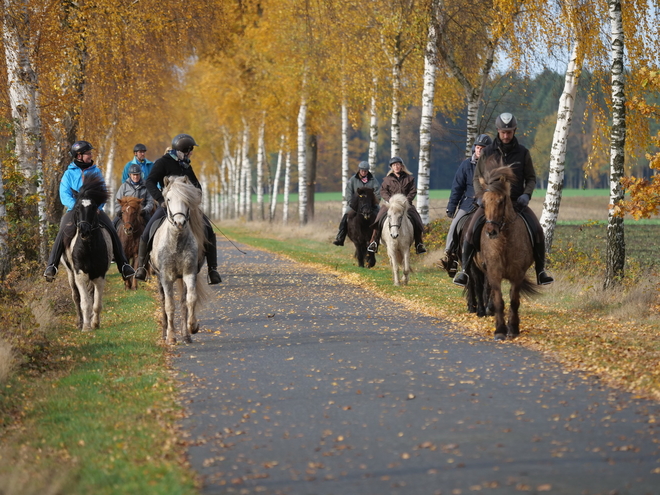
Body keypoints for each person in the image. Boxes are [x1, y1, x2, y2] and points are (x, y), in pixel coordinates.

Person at [452, 112, 554, 287]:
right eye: (503, 132)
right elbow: (477, 178)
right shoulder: (487, 152)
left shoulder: (523, 153)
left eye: (509, 132)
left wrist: (526, 195)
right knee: (470, 231)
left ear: (514, 131)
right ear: (498, 131)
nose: (506, 135)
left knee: (537, 229)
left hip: (516, 202)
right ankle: (464, 271)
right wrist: (481, 197)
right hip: (491, 202)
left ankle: (541, 271)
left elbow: (530, 178)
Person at [133, 133, 222, 285]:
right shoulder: (163, 162)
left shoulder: (186, 165)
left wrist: (195, 199)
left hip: (187, 208)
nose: (192, 153)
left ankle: (212, 269)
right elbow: (150, 182)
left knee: (208, 229)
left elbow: (197, 186)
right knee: (148, 231)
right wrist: (161, 199)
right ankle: (141, 267)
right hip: (167, 205)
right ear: (184, 149)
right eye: (191, 150)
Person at [43, 141, 136, 282]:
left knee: (111, 228)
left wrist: (97, 208)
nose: (91, 155)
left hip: (94, 210)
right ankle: (52, 266)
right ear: (79, 155)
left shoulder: (95, 171)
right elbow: (64, 194)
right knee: (63, 229)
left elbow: (102, 193)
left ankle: (123, 265)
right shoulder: (68, 174)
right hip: (74, 210)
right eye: (88, 153)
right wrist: (77, 207)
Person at [443, 134, 492, 275]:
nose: (479, 150)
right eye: (478, 147)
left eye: (482, 148)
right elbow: (457, 187)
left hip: (490, 204)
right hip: (469, 204)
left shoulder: (494, 166)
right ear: (474, 148)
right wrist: (451, 207)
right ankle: (450, 255)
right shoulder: (466, 165)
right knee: (455, 226)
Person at [367, 156, 426, 254]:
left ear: (401, 166)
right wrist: (390, 200)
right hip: (390, 205)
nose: (396, 167)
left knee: (417, 219)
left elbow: (413, 191)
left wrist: (407, 200)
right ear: (391, 167)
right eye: (394, 165)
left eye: (398, 164)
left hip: (406, 205)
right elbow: (383, 191)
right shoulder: (387, 180)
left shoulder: (409, 178)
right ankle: (374, 242)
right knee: (378, 219)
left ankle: (419, 243)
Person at [332, 161, 381, 246]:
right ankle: (340, 237)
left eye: (365, 171)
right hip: (356, 205)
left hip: (370, 205)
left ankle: (380, 237)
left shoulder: (373, 180)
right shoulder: (353, 180)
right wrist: (351, 202)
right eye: (362, 170)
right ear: (359, 170)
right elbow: (348, 192)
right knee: (346, 215)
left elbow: (378, 192)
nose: (363, 172)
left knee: (380, 215)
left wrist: (374, 202)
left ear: (368, 171)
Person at [114, 162, 155, 228]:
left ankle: (150, 238)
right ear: (130, 175)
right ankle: (113, 237)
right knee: (113, 224)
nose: (136, 177)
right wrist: (119, 211)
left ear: (140, 174)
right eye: (134, 175)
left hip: (141, 212)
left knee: (151, 226)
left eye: (137, 174)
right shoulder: (124, 186)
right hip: (126, 212)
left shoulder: (146, 186)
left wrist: (145, 210)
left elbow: (150, 201)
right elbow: (117, 201)